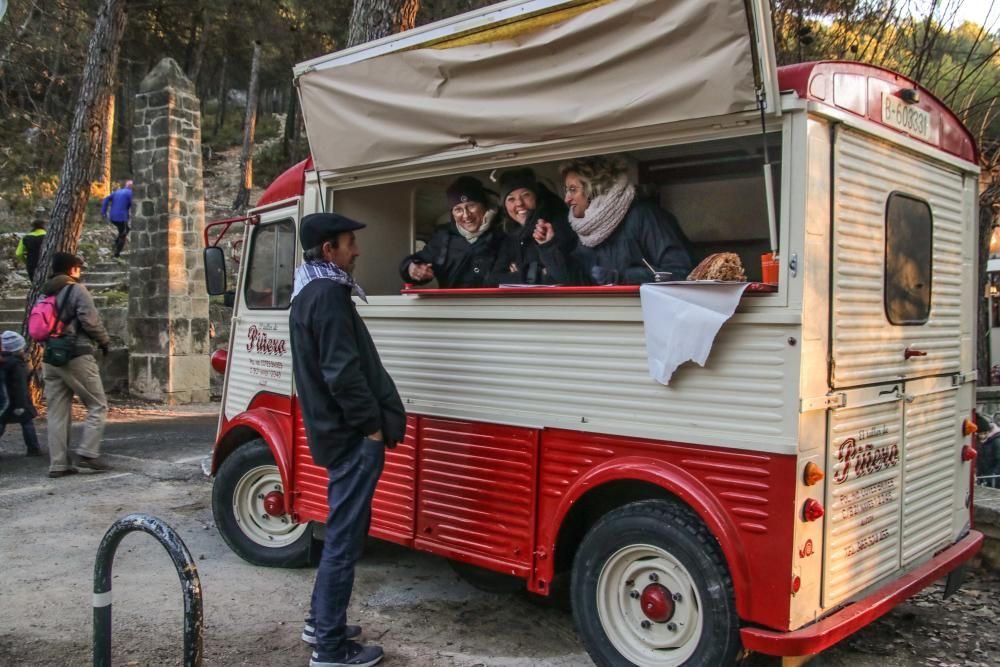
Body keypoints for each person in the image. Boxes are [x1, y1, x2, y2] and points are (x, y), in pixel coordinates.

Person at [290, 213, 405, 667]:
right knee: (342, 538)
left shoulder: (306, 292)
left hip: (334, 434)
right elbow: (343, 374)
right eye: (349, 243)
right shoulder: (330, 296)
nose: (356, 251)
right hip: (352, 437)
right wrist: (370, 427)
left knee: (340, 530)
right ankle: (331, 650)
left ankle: (320, 624)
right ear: (328, 251)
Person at [534, 155, 692, 285]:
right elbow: (579, 280)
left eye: (573, 190)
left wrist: (623, 278)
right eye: (566, 190)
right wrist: (548, 247)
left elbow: (683, 273)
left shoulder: (646, 216)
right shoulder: (587, 228)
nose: (567, 199)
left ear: (595, 188)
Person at [41, 252, 112, 478]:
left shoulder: (45, 292)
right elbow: (90, 321)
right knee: (98, 404)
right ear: (72, 269)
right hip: (76, 354)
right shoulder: (76, 290)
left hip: (50, 357)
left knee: (57, 413)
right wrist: (104, 341)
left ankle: (58, 464)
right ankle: (88, 454)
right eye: (78, 268)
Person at [399, 176, 505, 289]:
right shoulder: (443, 237)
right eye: (458, 209)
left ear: (484, 206)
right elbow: (416, 261)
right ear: (453, 213)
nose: (466, 215)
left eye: (471, 206)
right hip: (452, 304)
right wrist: (411, 268)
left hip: (497, 304)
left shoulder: (504, 231)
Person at [489, 167, 575, 285]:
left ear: (536, 197)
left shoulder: (555, 227)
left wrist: (518, 275)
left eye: (525, 195)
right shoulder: (509, 233)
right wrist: (530, 275)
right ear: (505, 206)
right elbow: (493, 279)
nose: (519, 203)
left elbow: (566, 278)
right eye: (511, 199)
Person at [0, 331, 42, 457]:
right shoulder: (17, 365)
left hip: (4, 400)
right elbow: (20, 386)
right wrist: (21, 404)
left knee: (1, 422)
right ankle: (33, 448)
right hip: (18, 400)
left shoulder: (3, 362)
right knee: (27, 423)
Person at [101, 179, 134, 257]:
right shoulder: (131, 193)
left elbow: (106, 199)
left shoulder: (117, 192)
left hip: (112, 217)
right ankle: (117, 254)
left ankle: (116, 241)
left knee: (126, 229)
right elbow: (134, 204)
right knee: (123, 234)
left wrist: (103, 212)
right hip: (121, 217)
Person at [15, 216, 47, 280]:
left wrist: (26, 261)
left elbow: (19, 253)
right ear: (44, 226)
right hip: (46, 263)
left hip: (31, 264)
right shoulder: (48, 236)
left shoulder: (25, 238)